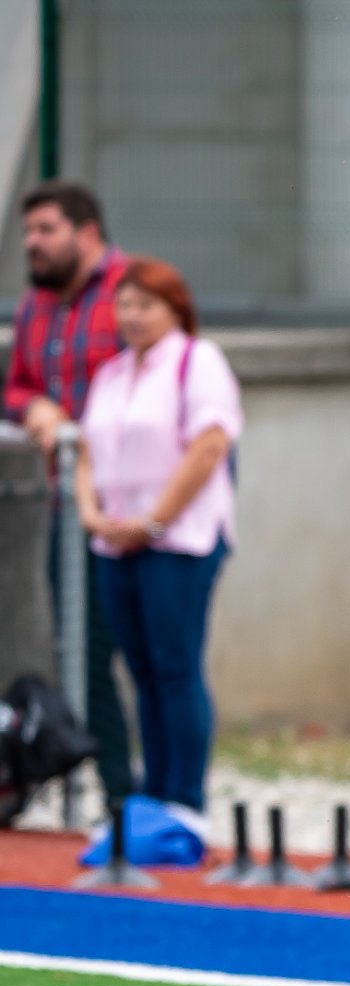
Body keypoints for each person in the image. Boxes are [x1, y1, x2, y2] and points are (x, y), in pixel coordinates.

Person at [71, 257, 240, 820]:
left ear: (175, 309)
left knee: (175, 663)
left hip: (178, 542)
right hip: (115, 543)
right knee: (139, 668)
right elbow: (88, 450)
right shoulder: (113, 373)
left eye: (146, 305)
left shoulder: (198, 361)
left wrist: (154, 521)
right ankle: (153, 792)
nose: (133, 316)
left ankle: (185, 799)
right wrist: (93, 514)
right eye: (125, 305)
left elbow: (209, 446)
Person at [4, 180, 136, 812]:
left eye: (46, 230)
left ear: (87, 233)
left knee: (144, 655)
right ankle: (115, 798)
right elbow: (17, 385)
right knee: (79, 651)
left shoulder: (131, 292)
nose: (33, 243)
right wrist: (35, 406)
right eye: (29, 232)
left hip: (132, 510)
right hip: (66, 510)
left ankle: (158, 799)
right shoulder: (36, 305)